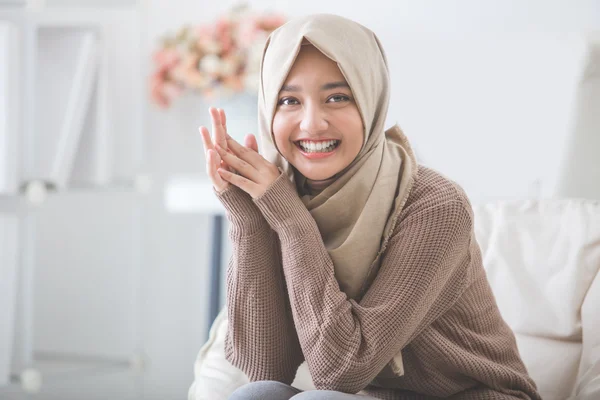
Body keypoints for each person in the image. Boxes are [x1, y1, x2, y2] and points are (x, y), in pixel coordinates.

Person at [198, 13, 541, 400]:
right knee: (256, 395)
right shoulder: (285, 193)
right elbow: (266, 367)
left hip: (477, 395)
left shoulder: (434, 205)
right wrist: (249, 218)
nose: (311, 123)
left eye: (338, 97)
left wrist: (290, 220)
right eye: (289, 100)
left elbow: (341, 372)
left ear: (372, 98)